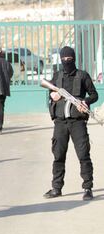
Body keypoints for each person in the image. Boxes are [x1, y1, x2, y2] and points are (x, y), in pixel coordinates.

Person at [43, 46, 98, 201]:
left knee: (83, 155)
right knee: (58, 155)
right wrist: (52, 95)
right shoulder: (57, 76)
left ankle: (87, 187)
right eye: (64, 59)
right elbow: (50, 93)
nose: (66, 61)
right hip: (60, 122)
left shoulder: (82, 75)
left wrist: (85, 101)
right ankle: (56, 188)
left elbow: (94, 94)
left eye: (69, 58)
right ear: (60, 59)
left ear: (74, 59)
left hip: (77, 122)